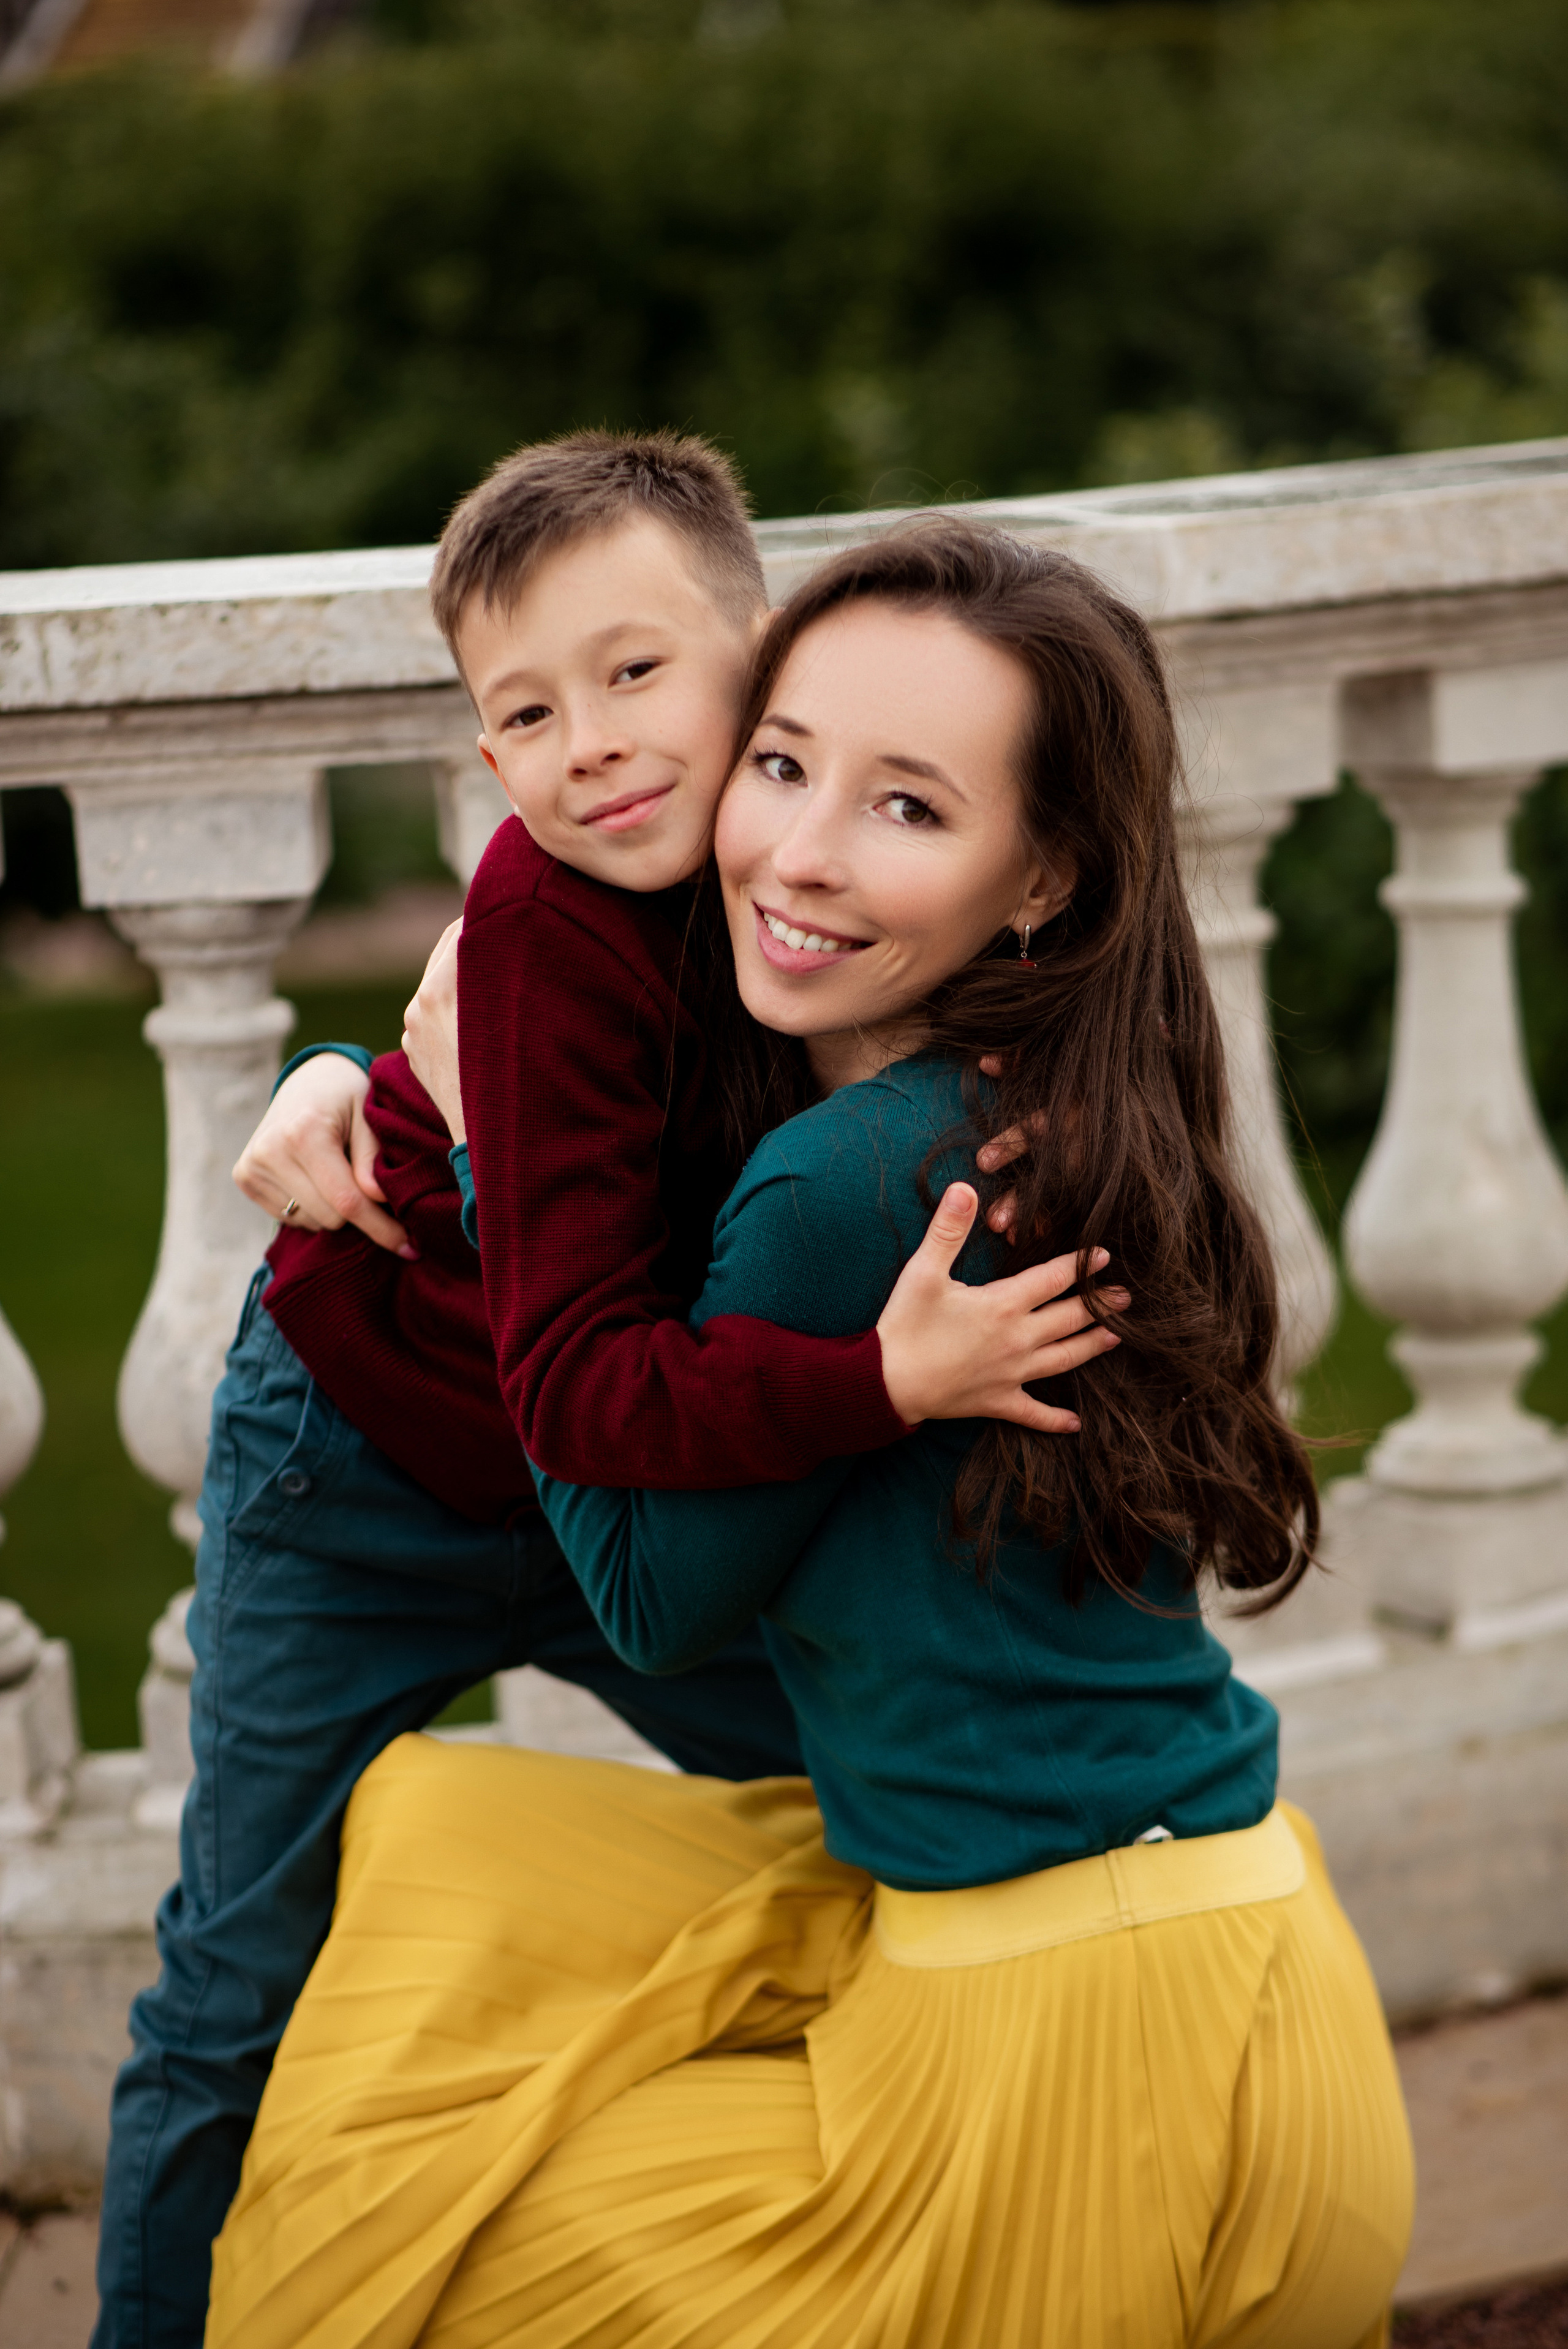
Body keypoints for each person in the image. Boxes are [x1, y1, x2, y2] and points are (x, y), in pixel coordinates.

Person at [206, 518, 1414, 2349]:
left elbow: (639, 1594)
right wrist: (352, 1080)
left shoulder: (841, 1189)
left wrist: (481, 1146)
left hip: (1056, 2073)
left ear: (1038, 878)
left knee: (400, 2235)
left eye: (908, 808)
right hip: (1274, 1996)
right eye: (782, 764)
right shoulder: (1079, 1105)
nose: (797, 848)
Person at [93, 437, 1110, 2349]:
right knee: (235, 1980)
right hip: (367, 1463)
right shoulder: (551, 928)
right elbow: (581, 1372)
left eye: (641, 674)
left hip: (624, 1486)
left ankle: (843, 2231)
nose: (593, 744)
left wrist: (339, 1054)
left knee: (879, 1789)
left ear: (766, 661)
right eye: (529, 713)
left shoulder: (799, 873)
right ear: (489, 762)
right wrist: (884, 1379)